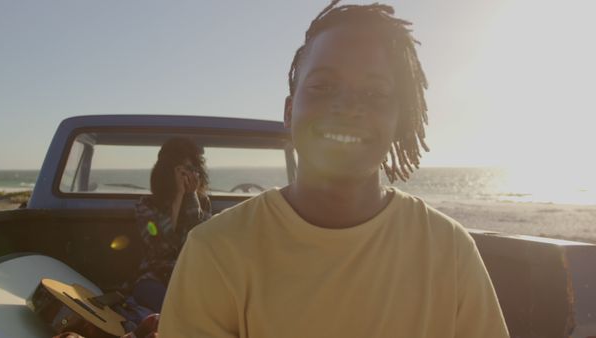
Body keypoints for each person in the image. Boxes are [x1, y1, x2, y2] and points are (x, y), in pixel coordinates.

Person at [159, 1, 509, 337]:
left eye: (374, 93)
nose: (347, 106)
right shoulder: (216, 250)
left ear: (399, 119)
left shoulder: (449, 250)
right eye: (323, 86)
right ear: (289, 110)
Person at [130, 137, 211, 314]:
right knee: (173, 309)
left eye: (191, 169)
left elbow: (200, 239)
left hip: (192, 276)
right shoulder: (146, 206)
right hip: (155, 277)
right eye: (181, 171)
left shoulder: (201, 203)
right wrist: (177, 198)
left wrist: (191, 197)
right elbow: (162, 246)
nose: (186, 176)